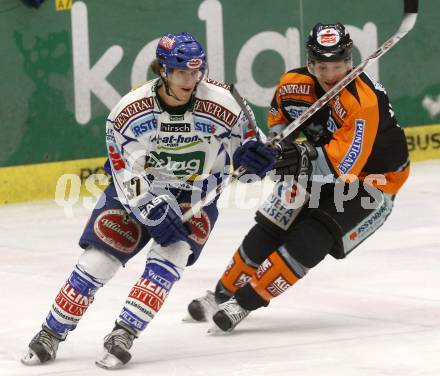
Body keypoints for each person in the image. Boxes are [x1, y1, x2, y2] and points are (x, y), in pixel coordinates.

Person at [21, 31, 277, 368]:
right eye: (183, 72)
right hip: (138, 190)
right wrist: (148, 206)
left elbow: (246, 162)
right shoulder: (128, 112)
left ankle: (124, 332)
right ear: (164, 72)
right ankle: (51, 333)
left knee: (170, 258)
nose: (191, 80)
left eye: (196, 72)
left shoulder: (226, 103)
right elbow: (123, 170)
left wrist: (258, 162)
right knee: (99, 259)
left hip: (194, 195)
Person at [186, 22, 410, 332]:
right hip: (317, 161)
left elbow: (341, 170)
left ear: (349, 61)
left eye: (336, 66)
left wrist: (295, 158)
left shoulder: (363, 102)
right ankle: (221, 294)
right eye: (322, 66)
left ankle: (244, 302)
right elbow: (280, 120)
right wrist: (277, 145)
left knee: (311, 238)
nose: (330, 75)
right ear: (310, 62)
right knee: (270, 226)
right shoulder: (293, 83)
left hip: (371, 181)